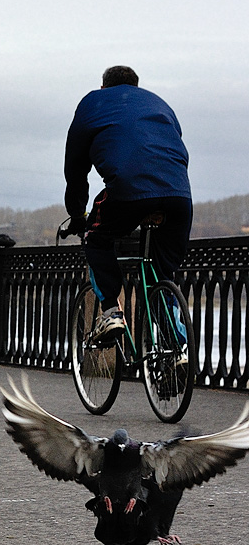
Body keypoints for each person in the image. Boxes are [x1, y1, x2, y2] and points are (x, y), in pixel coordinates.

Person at [64, 65, 192, 342]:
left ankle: (111, 311)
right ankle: (177, 351)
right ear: (136, 85)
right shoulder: (159, 103)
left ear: (103, 87)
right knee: (161, 274)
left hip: (128, 190)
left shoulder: (93, 102)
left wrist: (76, 213)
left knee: (95, 236)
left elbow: (75, 167)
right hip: (178, 194)